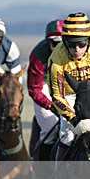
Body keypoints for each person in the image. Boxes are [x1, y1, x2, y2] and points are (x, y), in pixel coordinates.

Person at [48, 11, 90, 151]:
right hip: (70, 96)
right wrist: (74, 119)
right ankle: (60, 171)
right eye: (71, 45)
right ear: (64, 42)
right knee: (67, 135)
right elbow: (57, 97)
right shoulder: (56, 59)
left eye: (81, 44)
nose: (76, 50)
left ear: (89, 41)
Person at [27, 18, 63, 158]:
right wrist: (50, 105)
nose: (60, 48)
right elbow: (34, 89)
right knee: (51, 128)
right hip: (45, 85)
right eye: (55, 43)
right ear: (48, 42)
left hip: (67, 85)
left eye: (63, 43)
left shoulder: (75, 49)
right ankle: (44, 167)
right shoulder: (38, 55)